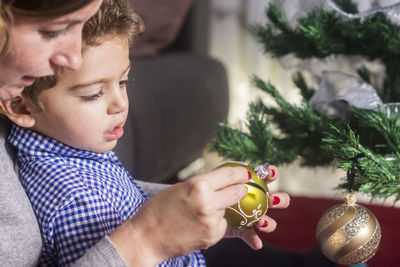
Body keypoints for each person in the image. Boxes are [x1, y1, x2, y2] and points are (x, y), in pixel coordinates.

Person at [0, 0, 290, 266]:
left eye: (125, 82)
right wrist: (148, 238)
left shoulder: (64, 145)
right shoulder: (75, 199)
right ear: (21, 109)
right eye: (91, 94)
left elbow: (114, 194)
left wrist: (196, 205)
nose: (121, 104)